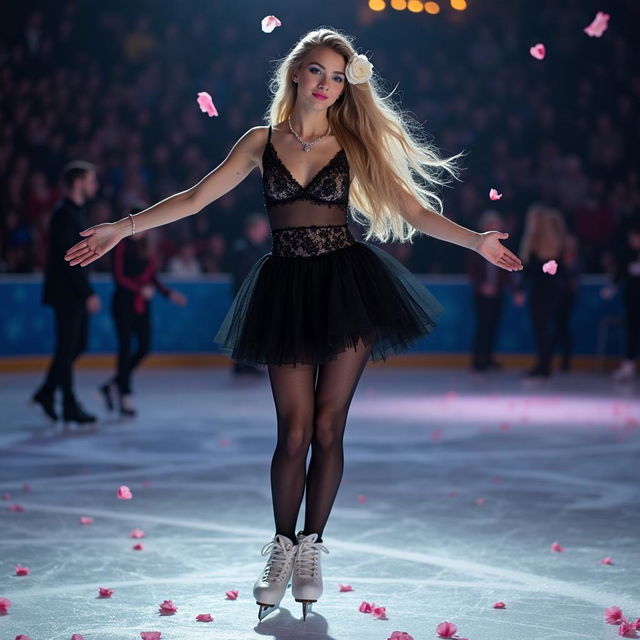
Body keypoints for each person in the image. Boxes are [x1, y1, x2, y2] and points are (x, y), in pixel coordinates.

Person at [63, 28, 522, 622]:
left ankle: (311, 549)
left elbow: (411, 211)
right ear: (297, 74)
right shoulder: (261, 141)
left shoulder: (355, 143)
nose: (327, 84)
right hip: (285, 286)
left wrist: (476, 241)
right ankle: (281, 548)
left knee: (330, 427)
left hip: (347, 285)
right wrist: (120, 228)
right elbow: (195, 198)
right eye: (317, 72)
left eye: (337, 75)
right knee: (294, 432)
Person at [31, 161, 101, 430]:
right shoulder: (63, 214)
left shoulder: (77, 212)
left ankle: (47, 392)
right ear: (78, 182)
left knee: (75, 345)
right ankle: (67, 404)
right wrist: (87, 293)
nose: (95, 185)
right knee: (67, 347)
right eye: (91, 180)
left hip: (73, 292)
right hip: (66, 293)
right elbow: (68, 258)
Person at [99, 207, 187, 417]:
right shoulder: (121, 245)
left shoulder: (148, 248)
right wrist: (140, 289)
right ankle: (125, 396)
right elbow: (119, 277)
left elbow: (152, 278)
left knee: (145, 346)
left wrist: (168, 294)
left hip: (142, 304)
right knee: (126, 346)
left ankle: (113, 385)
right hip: (124, 303)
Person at [516, 204, 568, 381]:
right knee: (542, 328)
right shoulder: (535, 242)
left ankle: (545, 365)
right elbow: (528, 270)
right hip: (542, 290)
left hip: (547, 291)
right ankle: (544, 364)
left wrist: (521, 288)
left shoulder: (548, 244)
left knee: (544, 328)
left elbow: (532, 270)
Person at [465, 209, 516, 372]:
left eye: (496, 224)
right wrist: (482, 286)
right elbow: (471, 270)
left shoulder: (504, 248)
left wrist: (513, 290)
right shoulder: (477, 247)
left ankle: (489, 358)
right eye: (490, 224)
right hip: (482, 294)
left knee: (494, 326)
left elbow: (507, 272)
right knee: (483, 326)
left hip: (498, 293)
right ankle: (478, 360)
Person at [227, 212, 271, 376]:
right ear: (252, 229)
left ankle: (249, 362)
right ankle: (241, 364)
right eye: (262, 228)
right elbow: (241, 274)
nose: (265, 231)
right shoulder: (242, 248)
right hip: (245, 294)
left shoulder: (263, 248)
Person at [601, 213, 640, 380]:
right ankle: (628, 365)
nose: (633, 240)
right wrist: (613, 287)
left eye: (635, 237)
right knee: (631, 330)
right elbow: (621, 273)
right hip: (632, 301)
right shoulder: (628, 254)